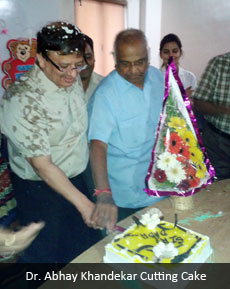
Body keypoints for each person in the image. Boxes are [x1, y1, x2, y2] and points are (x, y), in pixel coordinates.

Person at [0, 21, 101, 263]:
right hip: (40, 190)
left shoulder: (69, 76)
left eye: (78, 65)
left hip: (75, 178)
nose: (72, 74)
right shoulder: (23, 98)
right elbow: (42, 165)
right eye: (64, 66)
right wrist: (84, 204)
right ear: (41, 59)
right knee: (46, 261)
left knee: (85, 252)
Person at [88, 29, 166, 233]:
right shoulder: (106, 95)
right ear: (115, 59)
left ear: (148, 55)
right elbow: (97, 145)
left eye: (139, 62)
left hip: (161, 188)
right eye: (125, 63)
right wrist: (103, 194)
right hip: (125, 199)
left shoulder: (158, 78)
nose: (133, 70)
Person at [192, 52, 230, 180]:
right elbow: (198, 103)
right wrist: (224, 110)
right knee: (217, 190)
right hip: (218, 143)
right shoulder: (219, 64)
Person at [159, 33, 197, 98]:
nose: (171, 55)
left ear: (180, 53)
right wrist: (182, 96)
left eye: (175, 51)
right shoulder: (154, 77)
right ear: (160, 54)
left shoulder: (190, 77)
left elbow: (192, 104)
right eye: (166, 52)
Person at [80, 34, 103, 101]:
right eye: (79, 59)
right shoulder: (62, 85)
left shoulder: (104, 85)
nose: (84, 63)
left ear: (94, 57)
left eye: (88, 57)